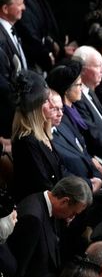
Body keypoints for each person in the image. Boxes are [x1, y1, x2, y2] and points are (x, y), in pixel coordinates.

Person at [8, 176, 91, 277]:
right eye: (73, 213)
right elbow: (18, 270)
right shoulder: (33, 217)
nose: (72, 217)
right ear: (65, 201)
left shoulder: (48, 206)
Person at [46, 63, 102, 192]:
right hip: (80, 190)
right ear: (66, 90)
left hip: (92, 177)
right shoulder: (59, 122)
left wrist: (97, 176)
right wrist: (90, 183)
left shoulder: (67, 116)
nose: (82, 89)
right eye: (78, 85)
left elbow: (83, 149)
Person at [10, 70, 62, 202]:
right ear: (35, 108)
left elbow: (60, 170)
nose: (52, 105)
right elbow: (42, 186)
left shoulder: (43, 131)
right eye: (46, 101)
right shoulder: (26, 141)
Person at [0, 0, 27, 142]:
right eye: (19, 4)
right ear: (5, 9)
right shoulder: (0, 39)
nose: (24, 7)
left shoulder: (10, 28)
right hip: (9, 116)